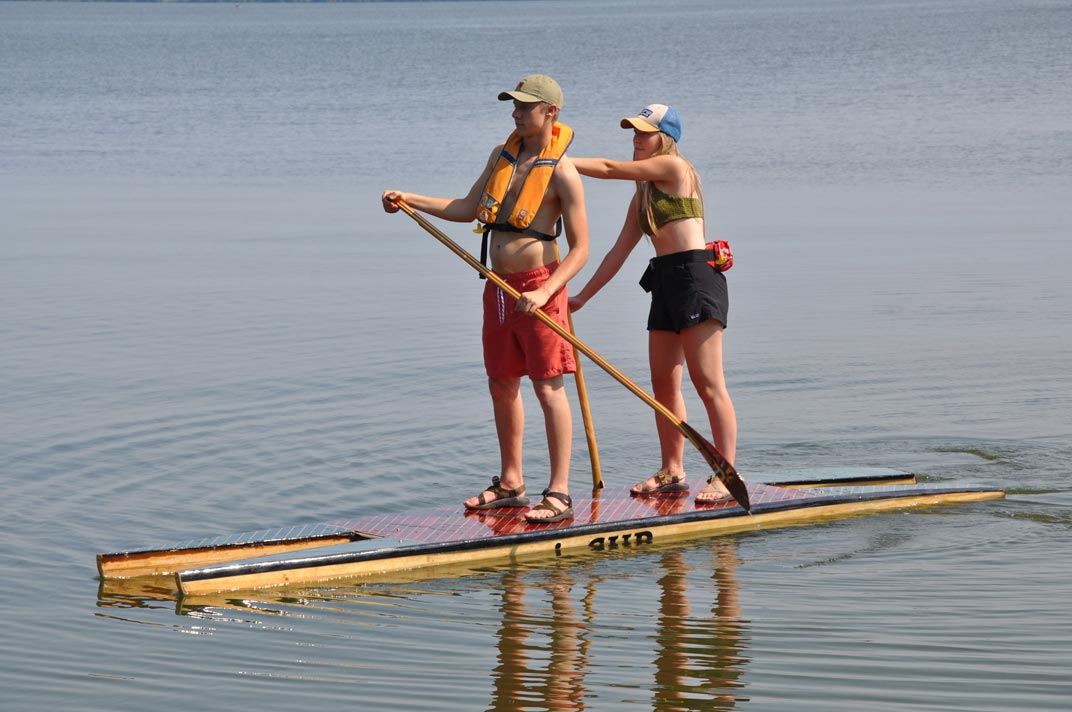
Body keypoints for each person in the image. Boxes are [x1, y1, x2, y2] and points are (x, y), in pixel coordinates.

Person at [382, 74, 589, 522]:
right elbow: (466, 207)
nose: (515, 112)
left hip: (540, 286)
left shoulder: (564, 172)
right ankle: (511, 483)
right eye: (513, 105)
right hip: (498, 287)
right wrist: (409, 199)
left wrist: (547, 289)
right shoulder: (501, 155)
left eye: (525, 107)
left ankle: (559, 492)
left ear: (550, 112)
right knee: (501, 382)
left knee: (548, 386)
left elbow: (581, 250)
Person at [568, 104, 737, 504]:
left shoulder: (677, 170)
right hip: (664, 282)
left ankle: (726, 473)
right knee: (663, 384)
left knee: (708, 384)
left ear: (666, 139)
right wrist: (581, 298)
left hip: (696, 279)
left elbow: (609, 169)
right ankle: (673, 470)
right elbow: (617, 252)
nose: (636, 139)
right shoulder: (642, 194)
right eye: (634, 132)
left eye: (644, 132)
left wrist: (553, 160)